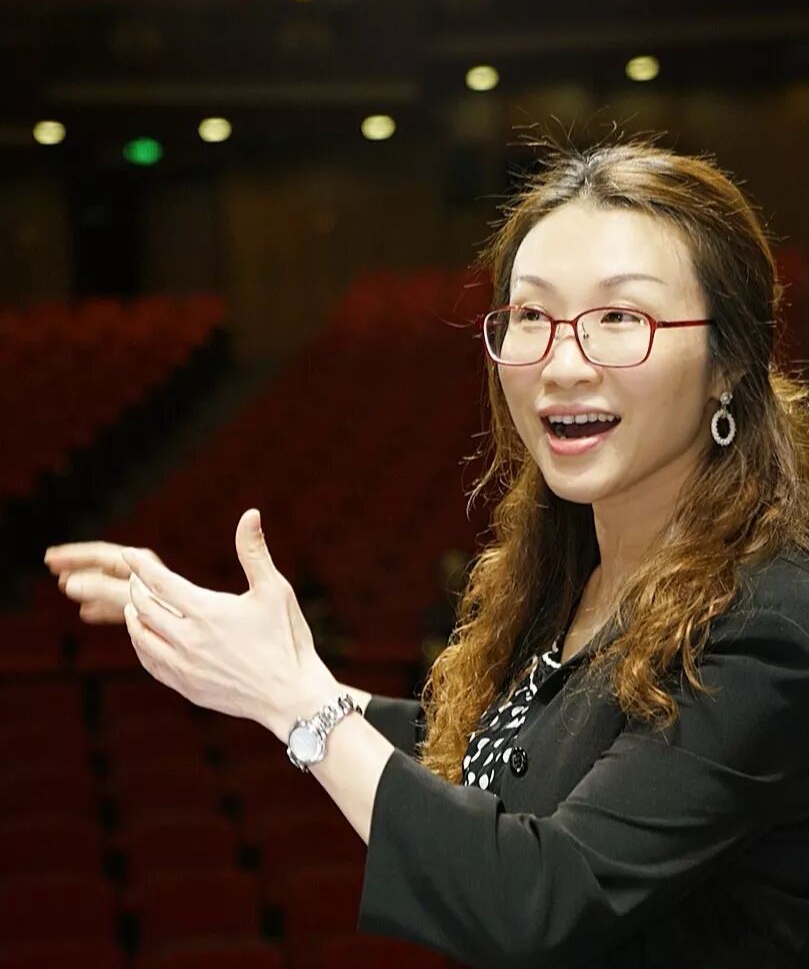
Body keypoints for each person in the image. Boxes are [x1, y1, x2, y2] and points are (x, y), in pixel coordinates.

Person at [45, 137, 809, 967]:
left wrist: (296, 701)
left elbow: (543, 899)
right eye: (531, 316)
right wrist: (270, 669)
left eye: (619, 318)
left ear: (730, 360)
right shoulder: (575, 576)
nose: (561, 364)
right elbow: (499, 754)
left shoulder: (767, 619)